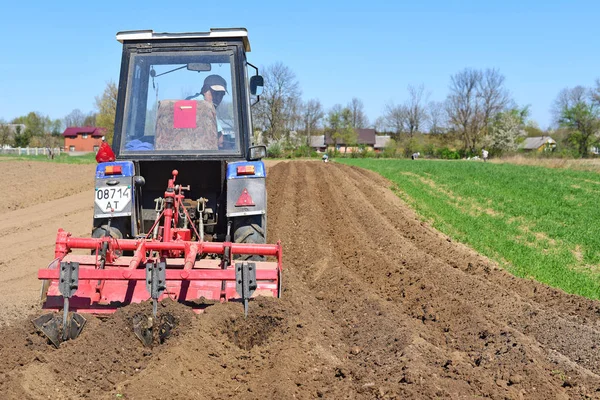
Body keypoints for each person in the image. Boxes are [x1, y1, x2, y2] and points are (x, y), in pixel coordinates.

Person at [200, 75, 228, 149]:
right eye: (215, 93)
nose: (218, 98)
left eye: (221, 95)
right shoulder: (206, 108)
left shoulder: (188, 102)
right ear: (204, 90)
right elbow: (220, 140)